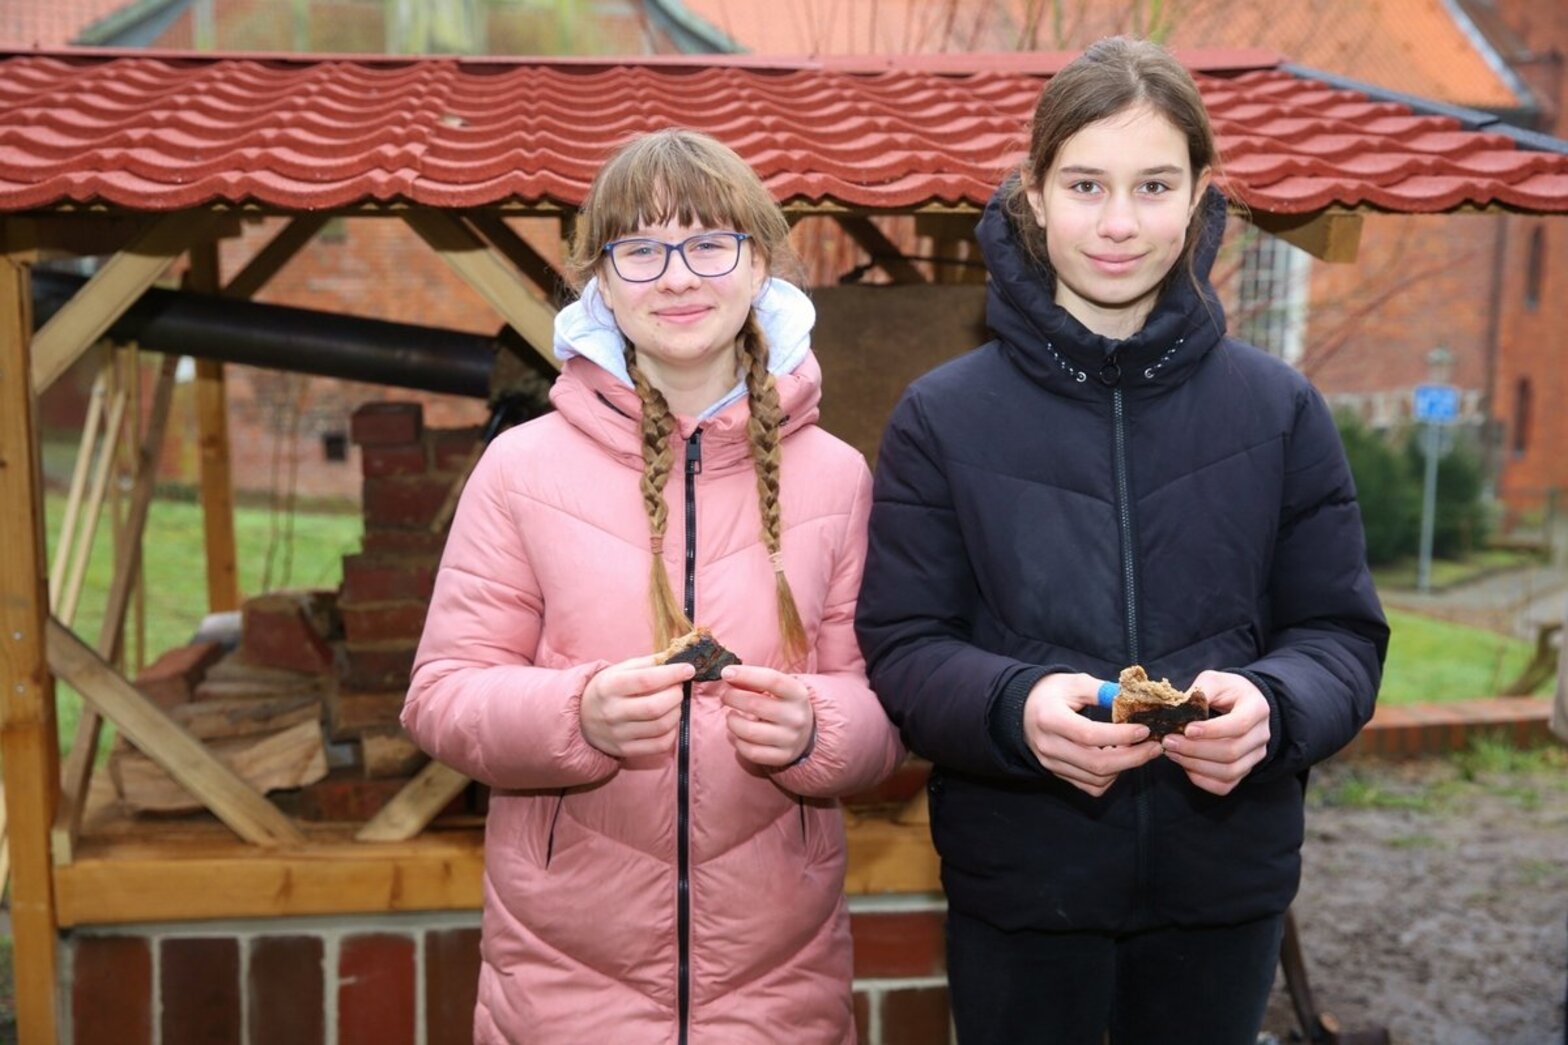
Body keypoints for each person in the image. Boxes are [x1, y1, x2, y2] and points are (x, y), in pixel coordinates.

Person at [855, 36, 1389, 1045]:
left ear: (1196, 198)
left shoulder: (1277, 411)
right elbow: (904, 645)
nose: (1115, 223)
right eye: (1085, 184)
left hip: (1222, 888)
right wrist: (1014, 707)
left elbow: (1339, 636)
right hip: (1021, 887)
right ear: (1034, 194)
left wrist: (1272, 706)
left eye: (1152, 186)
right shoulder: (942, 415)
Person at [403, 128, 903, 1044]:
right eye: (640, 249)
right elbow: (441, 697)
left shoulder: (836, 476)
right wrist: (576, 715)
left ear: (761, 267)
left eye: (711, 243)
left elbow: (887, 713)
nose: (678, 277)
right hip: (562, 987)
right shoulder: (520, 469)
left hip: (776, 985)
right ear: (601, 279)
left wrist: (815, 729)